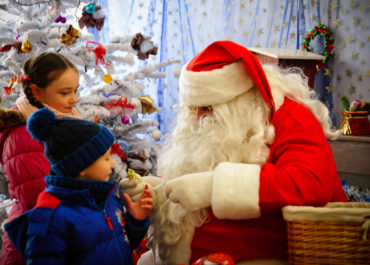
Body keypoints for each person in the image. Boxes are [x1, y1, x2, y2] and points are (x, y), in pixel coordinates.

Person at [120, 40, 348, 265]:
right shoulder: (213, 123)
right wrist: (157, 192)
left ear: (240, 99)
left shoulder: (291, 118)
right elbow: (191, 183)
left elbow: (310, 183)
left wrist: (212, 187)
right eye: (192, 108)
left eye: (208, 108)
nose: (198, 117)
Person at [4, 108, 153, 265]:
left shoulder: (106, 198)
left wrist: (136, 220)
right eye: (106, 158)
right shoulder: (51, 218)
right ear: (81, 166)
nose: (112, 164)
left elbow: (118, 244)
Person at [0, 52, 80, 265]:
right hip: (36, 238)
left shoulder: (63, 119)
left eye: (75, 90)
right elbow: (37, 195)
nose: (74, 99)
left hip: (56, 232)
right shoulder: (24, 133)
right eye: (65, 92)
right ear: (37, 91)